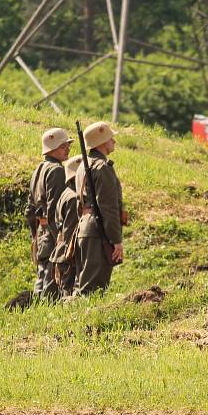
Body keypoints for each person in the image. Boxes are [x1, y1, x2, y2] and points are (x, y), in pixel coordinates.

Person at [73, 121, 126, 295]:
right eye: (111, 138)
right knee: (93, 290)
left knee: (83, 286)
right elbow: (108, 207)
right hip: (97, 231)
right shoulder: (102, 167)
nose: (114, 142)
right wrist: (116, 240)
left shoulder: (83, 165)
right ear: (102, 142)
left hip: (84, 227)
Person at [26, 127, 72, 299]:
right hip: (52, 233)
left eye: (67, 145)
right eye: (63, 146)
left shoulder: (38, 169)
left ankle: (37, 311)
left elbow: (29, 210)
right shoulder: (57, 170)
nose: (67, 148)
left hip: (42, 231)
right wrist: (60, 236)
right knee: (52, 282)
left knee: (43, 277)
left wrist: (35, 235)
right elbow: (55, 209)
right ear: (52, 148)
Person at [49, 155, 82, 298]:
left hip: (61, 251)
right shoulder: (74, 197)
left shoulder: (66, 193)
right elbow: (70, 231)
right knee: (68, 295)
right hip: (67, 254)